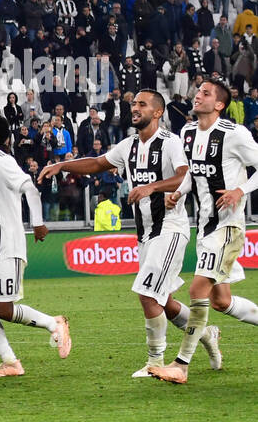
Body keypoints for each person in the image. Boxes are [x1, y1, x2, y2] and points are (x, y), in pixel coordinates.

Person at [40, 90, 217, 377]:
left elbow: (185, 177)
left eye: (141, 104)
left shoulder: (170, 143)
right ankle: (207, 334)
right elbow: (98, 163)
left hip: (170, 229)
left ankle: (155, 362)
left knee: (147, 295)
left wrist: (152, 186)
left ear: (157, 112)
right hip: (145, 234)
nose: (134, 108)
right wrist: (62, 165)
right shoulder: (129, 145)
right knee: (165, 302)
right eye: (133, 104)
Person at [150, 77, 258, 384]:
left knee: (197, 290)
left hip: (228, 226)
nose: (198, 96)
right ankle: (205, 338)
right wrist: (179, 192)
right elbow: (194, 175)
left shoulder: (234, 134)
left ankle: (180, 365)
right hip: (206, 227)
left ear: (219, 104)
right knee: (221, 301)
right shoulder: (186, 132)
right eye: (198, 91)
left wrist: (239, 190)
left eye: (205, 93)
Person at [0, 111, 72, 377]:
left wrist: (37, 222)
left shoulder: (2, 161)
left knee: (2, 308)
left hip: (6, 247)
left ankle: (53, 323)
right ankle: (11, 362)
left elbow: (29, 187)